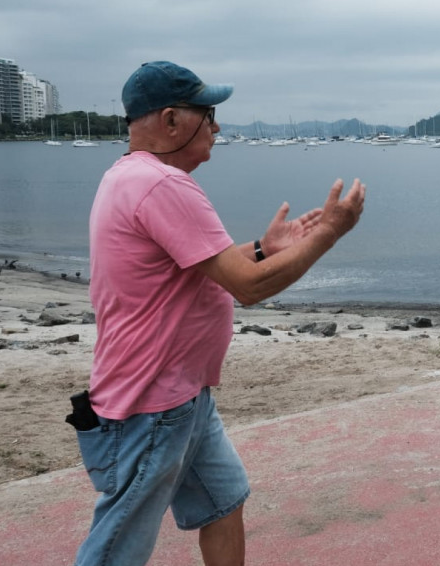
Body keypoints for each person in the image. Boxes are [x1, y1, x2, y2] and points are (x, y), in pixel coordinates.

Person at [72, 61, 365, 566]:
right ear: (169, 120)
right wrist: (329, 233)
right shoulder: (161, 185)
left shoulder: (131, 177)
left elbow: (206, 266)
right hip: (152, 402)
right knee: (116, 547)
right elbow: (250, 289)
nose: (217, 127)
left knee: (223, 503)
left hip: (184, 394)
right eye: (208, 114)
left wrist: (262, 248)